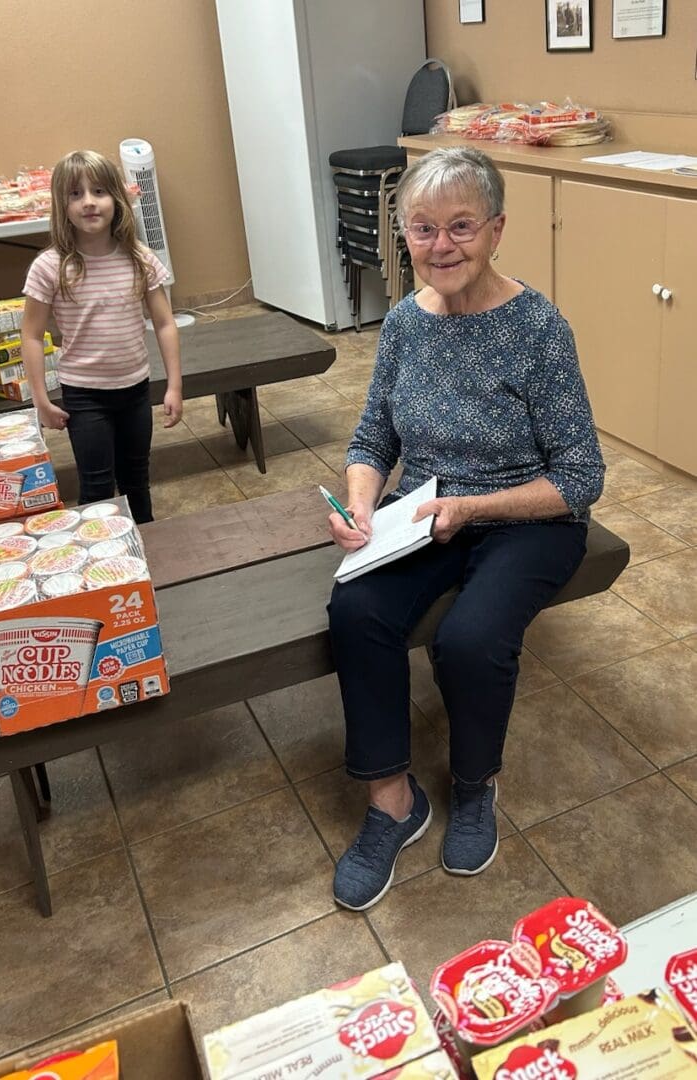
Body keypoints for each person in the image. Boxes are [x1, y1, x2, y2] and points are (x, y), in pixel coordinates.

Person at [326, 146, 604, 911]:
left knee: (471, 639)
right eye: (422, 228)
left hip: (529, 516)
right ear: (402, 233)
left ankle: (474, 784)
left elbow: (580, 477)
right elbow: (372, 439)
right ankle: (391, 802)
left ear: (496, 229)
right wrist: (360, 503)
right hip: (425, 509)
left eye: (460, 227)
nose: (440, 245)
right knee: (355, 610)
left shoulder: (538, 329)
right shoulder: (404, 324)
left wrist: (474, 509)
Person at [21, 149, 183, 524]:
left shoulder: (139, 258)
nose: (89, 203)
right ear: (62, 205)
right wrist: (40, 400)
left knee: (136, 482)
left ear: (116, 198)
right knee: (96, 486)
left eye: (98, 191)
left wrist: (174, 385)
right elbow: (31, 335)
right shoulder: (51, 266)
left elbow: (164, 323)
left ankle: (144, 555)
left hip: (135, 391)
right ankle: (100, 563)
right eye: (75, 194)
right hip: (84, 395)